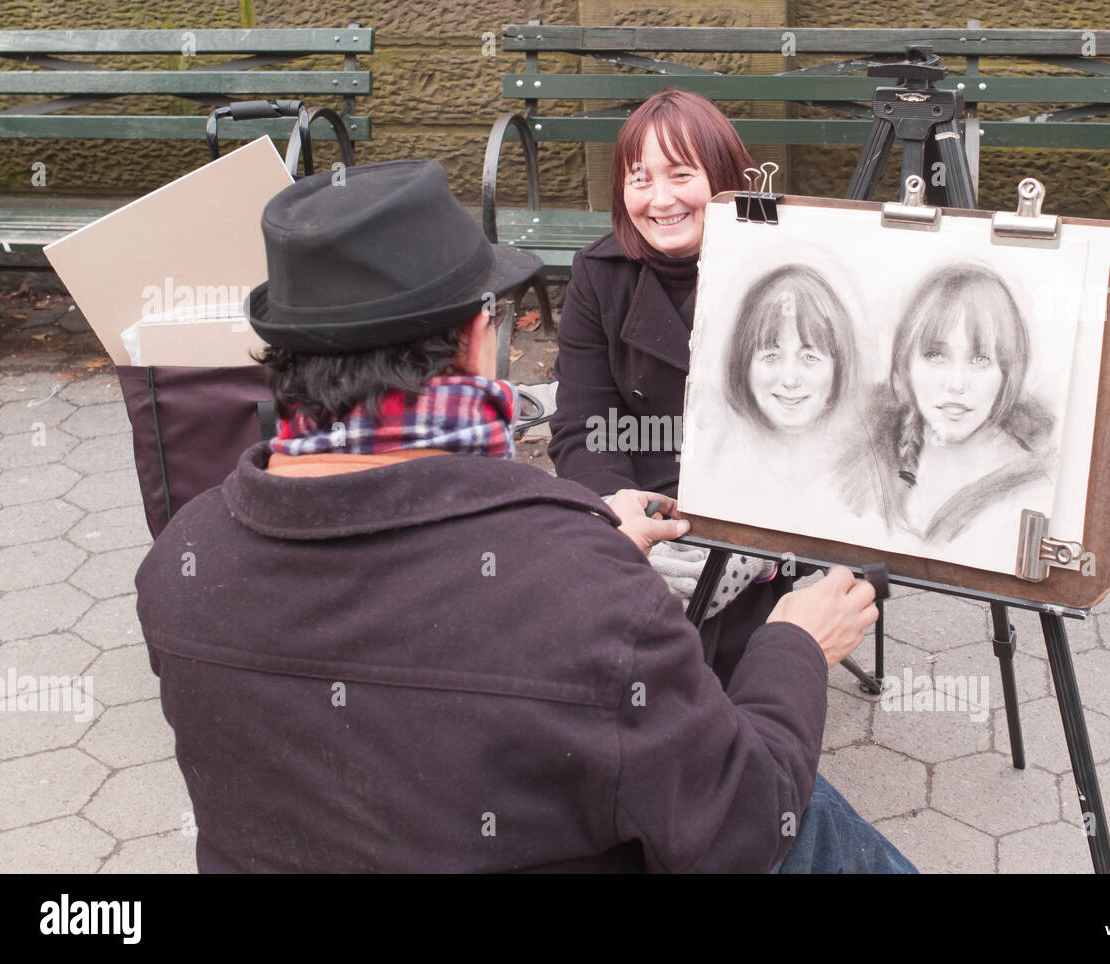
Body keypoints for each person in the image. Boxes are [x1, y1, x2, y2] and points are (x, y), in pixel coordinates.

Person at [135, 159, 914, 873]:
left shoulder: (182, 561)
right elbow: (744, 824)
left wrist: (585, 545)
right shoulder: (580, 591)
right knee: (803, 802)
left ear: (284, 360)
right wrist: (793, 647)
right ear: (479, 341)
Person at [548, 87, 787, 677]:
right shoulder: (598, 275)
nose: (659, 200)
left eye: (681, 174)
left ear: (727, 179)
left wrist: (748, 534)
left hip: (764, 512)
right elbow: (583, 422)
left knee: (701, 669)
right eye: (639, 179)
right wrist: (617, 511)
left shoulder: (783, 268)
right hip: (644, 494)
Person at [686, 263, 883, 537]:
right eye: (771, 356)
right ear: (743, 366)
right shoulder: (717, 467)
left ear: (839, 369)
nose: (790, 379)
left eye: (810, 356)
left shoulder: (863, 487)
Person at [874, 263, 1055, 544]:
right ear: (905, 364)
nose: (956, 384)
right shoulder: (872, 457)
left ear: (1007, 373)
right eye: (935, 355)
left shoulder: (1034, 490)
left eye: (980, 359)